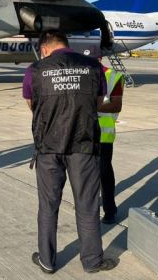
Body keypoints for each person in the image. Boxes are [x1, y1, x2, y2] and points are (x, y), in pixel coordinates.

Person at [22, 30, 117, 274]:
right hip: (83, 144)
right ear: (66, 44)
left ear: (44, 48)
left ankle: (47, 260)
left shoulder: (35, 70)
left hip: (48, 147)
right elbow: (98, 103)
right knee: (86, 205)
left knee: (48, 206)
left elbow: (32, 105)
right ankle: (93, 261)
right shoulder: (93, 68)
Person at [97, 58, 124, 225]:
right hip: (81, 131)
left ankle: (109, 210)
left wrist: (87, 106)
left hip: (103, 133)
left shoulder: (112, 75)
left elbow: (116, 106)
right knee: (83, 174)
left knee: (104, 172)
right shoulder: (81, 74)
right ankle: (89, 205)